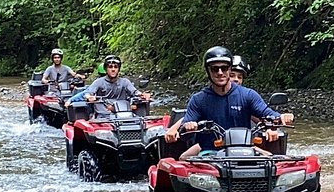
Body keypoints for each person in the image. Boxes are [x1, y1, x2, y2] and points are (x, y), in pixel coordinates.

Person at [164, 46, 293, 155]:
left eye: (224, 68)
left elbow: (266, 113)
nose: (220, 73)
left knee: (273, 163)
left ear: (230, 69)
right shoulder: (199, 100)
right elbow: (185, 130)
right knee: (184, 164)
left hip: (244, 151)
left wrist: (281, 117)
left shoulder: (248, 95)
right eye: (215, 69)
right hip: (210, 154)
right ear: (208, 71)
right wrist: (188, 127)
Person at [84, 55, 151, 106]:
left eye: (116, 67)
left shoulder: (125, 82)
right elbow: (88, 93)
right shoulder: (98, 82)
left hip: (123, 112)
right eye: (110, 67)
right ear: (106, 69)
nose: (113, 69)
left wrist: (142, 95)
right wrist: (89, 97)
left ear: (118, 69)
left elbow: (134, 92)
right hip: (103, 113)